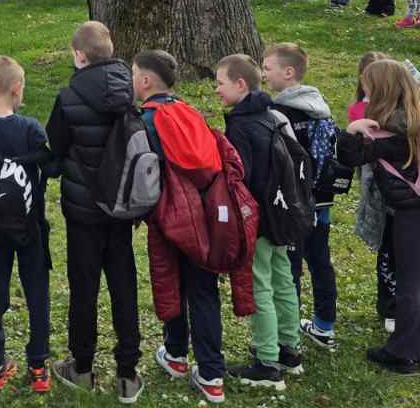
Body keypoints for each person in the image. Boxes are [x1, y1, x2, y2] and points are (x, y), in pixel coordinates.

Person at [135, 50, 237, 406]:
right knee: (203, 291)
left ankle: (176, 353)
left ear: (145, 80)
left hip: (169, 216)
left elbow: (143, 173)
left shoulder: (146, 119)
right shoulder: (189, 111)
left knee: (170, 282)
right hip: (205, 213)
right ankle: (211, 374)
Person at [47, 21, 142, 402]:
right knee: (124, 287)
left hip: (83, 210)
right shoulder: (128, 89)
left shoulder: (69, 96)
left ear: (79, 55)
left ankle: (82, 366)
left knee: (83, 288)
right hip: (119, 207)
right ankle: (127, 372)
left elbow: (56, 145)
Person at [338, 59, 420, 374]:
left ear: (382, 89)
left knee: (408, 284)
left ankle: (405, 351)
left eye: (368, 87)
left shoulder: (389, 129)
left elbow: (351, 156)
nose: (365, 92)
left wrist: (351, 131)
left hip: (410, 213)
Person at [0, 55, 52, 394]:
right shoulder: (30, 128)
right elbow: (49, 164)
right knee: (37, 293)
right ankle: (38, 366)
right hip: (30, 226)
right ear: (17, 88)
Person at [216, 54, 301, 390]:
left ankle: (267, 362)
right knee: (283, 279)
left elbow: (242, 177)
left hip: (259, 218)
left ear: (240, 85)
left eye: (221, 83)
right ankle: (289, 348)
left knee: (260, 284)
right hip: (281, 213)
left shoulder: (240, 124)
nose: (217, 90)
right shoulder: (271, 115)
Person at [261, 43, 340, 350]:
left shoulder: (277, 113)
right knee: (320, 262)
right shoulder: (320, 105)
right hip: (322, 200)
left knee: (289, 269)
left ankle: (288, 332)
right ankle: (324, 326)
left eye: (267, 68)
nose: (263, 74)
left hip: (292, 204)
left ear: (288, 72)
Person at [348, 51, 396, 330]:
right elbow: (355, 153)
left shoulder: (406, 114)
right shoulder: (360, 110)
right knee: (387, 246)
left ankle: (395, 307)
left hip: (401, 195)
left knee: (397, 250)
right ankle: (388, 305)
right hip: (378, 186)